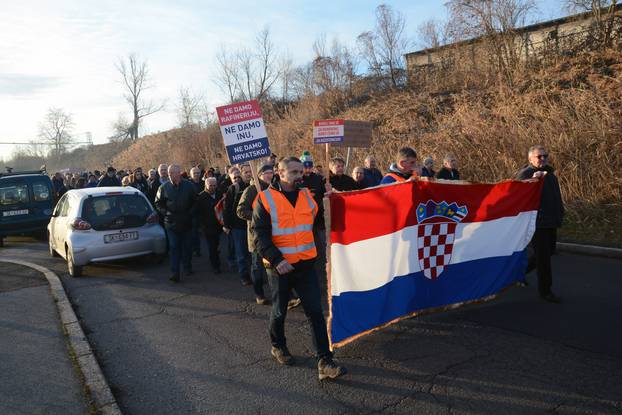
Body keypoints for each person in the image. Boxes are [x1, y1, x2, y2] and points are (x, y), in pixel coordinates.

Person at [252, 157, 346, 380]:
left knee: (315, 312)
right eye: (293, 172)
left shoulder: (308, 197)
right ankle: (278, 346)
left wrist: (331, 199)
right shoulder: (264, 199)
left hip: (305, 265)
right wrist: (277, 260)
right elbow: (259, 236)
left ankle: (325, 360)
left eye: (300, 172)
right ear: (280, 173)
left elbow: (323, 222)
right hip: (279, 269)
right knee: (279, 311)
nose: (299, 176)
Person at [517, 145, 564, 303]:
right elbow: (518, 193)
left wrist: (560, 213)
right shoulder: (526, 174)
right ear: (530, 159)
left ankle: (519, 273)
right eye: (539, 156)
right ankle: (546, 291)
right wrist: (534, 180)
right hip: (537, 222)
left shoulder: (550, 174)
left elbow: (555, 196)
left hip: (551, 220)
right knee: (544, 258)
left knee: (548, 252)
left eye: (545, 155)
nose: (543, 158)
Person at [237, 164, 274, 305]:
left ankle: (286, 295)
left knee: (276, 265)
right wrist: (258, 216)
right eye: (266, 173)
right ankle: (259, 294)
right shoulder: (251, 190)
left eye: (271, 172)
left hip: (273, 234)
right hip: (256, 236)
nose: (270, 175)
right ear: (258, 175)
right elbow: (240, 211)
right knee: (257, 267)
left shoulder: (274, 189)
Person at [155, 164, 197, 282]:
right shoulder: (163, 187)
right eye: (169, 173)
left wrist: (190, 213)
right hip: (171, 223)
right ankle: (175, 272)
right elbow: (158, 203)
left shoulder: (189, 186)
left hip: (186, 222)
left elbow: (195, 201)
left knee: (187, 247)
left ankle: (187, 267)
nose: (170, 175)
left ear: (179, 173)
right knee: (174, 247)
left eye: (173, 173)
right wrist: (166, 213)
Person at [223, 164, 252, 285]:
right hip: (238, 227)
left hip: (252, 225)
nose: (249, 174)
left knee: (253, 253)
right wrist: (227, 225)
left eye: (250, 171)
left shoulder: (255, 187)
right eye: (246, 172)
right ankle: (244, 276)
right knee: (241, 253)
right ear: (241, 174)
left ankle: (255, 275)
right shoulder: (234, 188)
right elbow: (227, 208)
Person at [197, 177, 224, 274]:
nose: (212, 188)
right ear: (206, 185)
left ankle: (216, 259)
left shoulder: (219, 194)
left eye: (214, 185)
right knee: (212, 247)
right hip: (208, 226)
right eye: (210, 186)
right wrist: (201, 226)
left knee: (216, 245)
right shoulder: (201, 197)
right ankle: (215, 266)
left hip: (218, 225)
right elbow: (198, 213)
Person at [189, 167, 204, 257]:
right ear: (191, 174)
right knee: (194, 232)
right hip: (193, 210)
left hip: (203, 209)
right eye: (194, 173)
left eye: (198, 173)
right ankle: (196, 249)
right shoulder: (188, 184)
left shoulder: (203, 183)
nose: (196, 175)